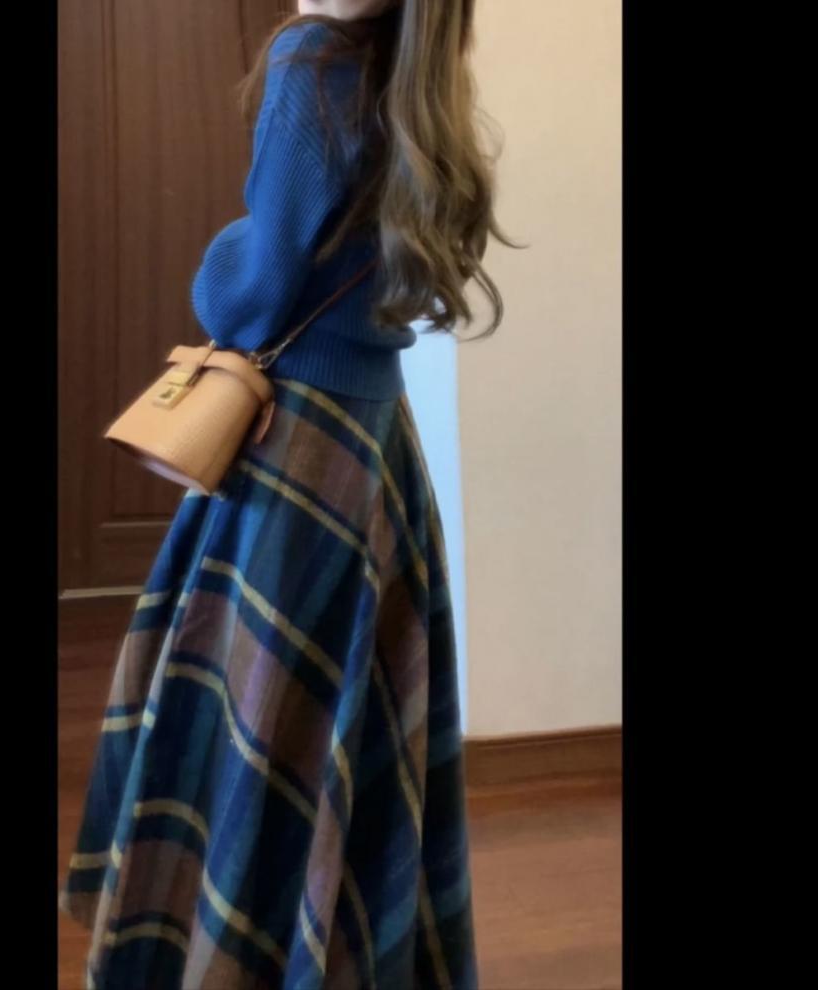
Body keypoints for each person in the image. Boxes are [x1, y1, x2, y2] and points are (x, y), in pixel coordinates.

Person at [60, 1, 517, 986]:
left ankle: (233, 951)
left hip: (293, 443)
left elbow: (250, 292)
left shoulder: (313, 58)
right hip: (377, 442)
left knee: (257, 722)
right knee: (345, 719)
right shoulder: (425, 76)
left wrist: (225, 250)